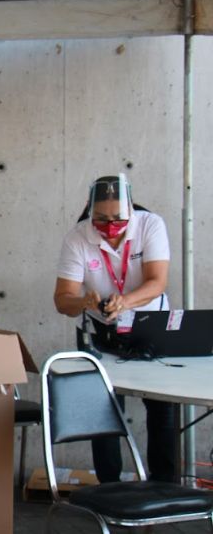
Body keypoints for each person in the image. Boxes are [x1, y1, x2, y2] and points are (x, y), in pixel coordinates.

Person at [53, 174, 175, 483]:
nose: (110, 226)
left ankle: (164, 486)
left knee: (163, 410)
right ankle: (109, 488)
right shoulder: (77, 238)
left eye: (118, 219)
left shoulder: (150, 225)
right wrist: (83, 302)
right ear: (89, 211)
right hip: (102, 331)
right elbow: (62, 299)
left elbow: (157, 282)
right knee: (103, 412)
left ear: (131, 210)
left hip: (151, 325)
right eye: (101, 219)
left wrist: (125, 301)